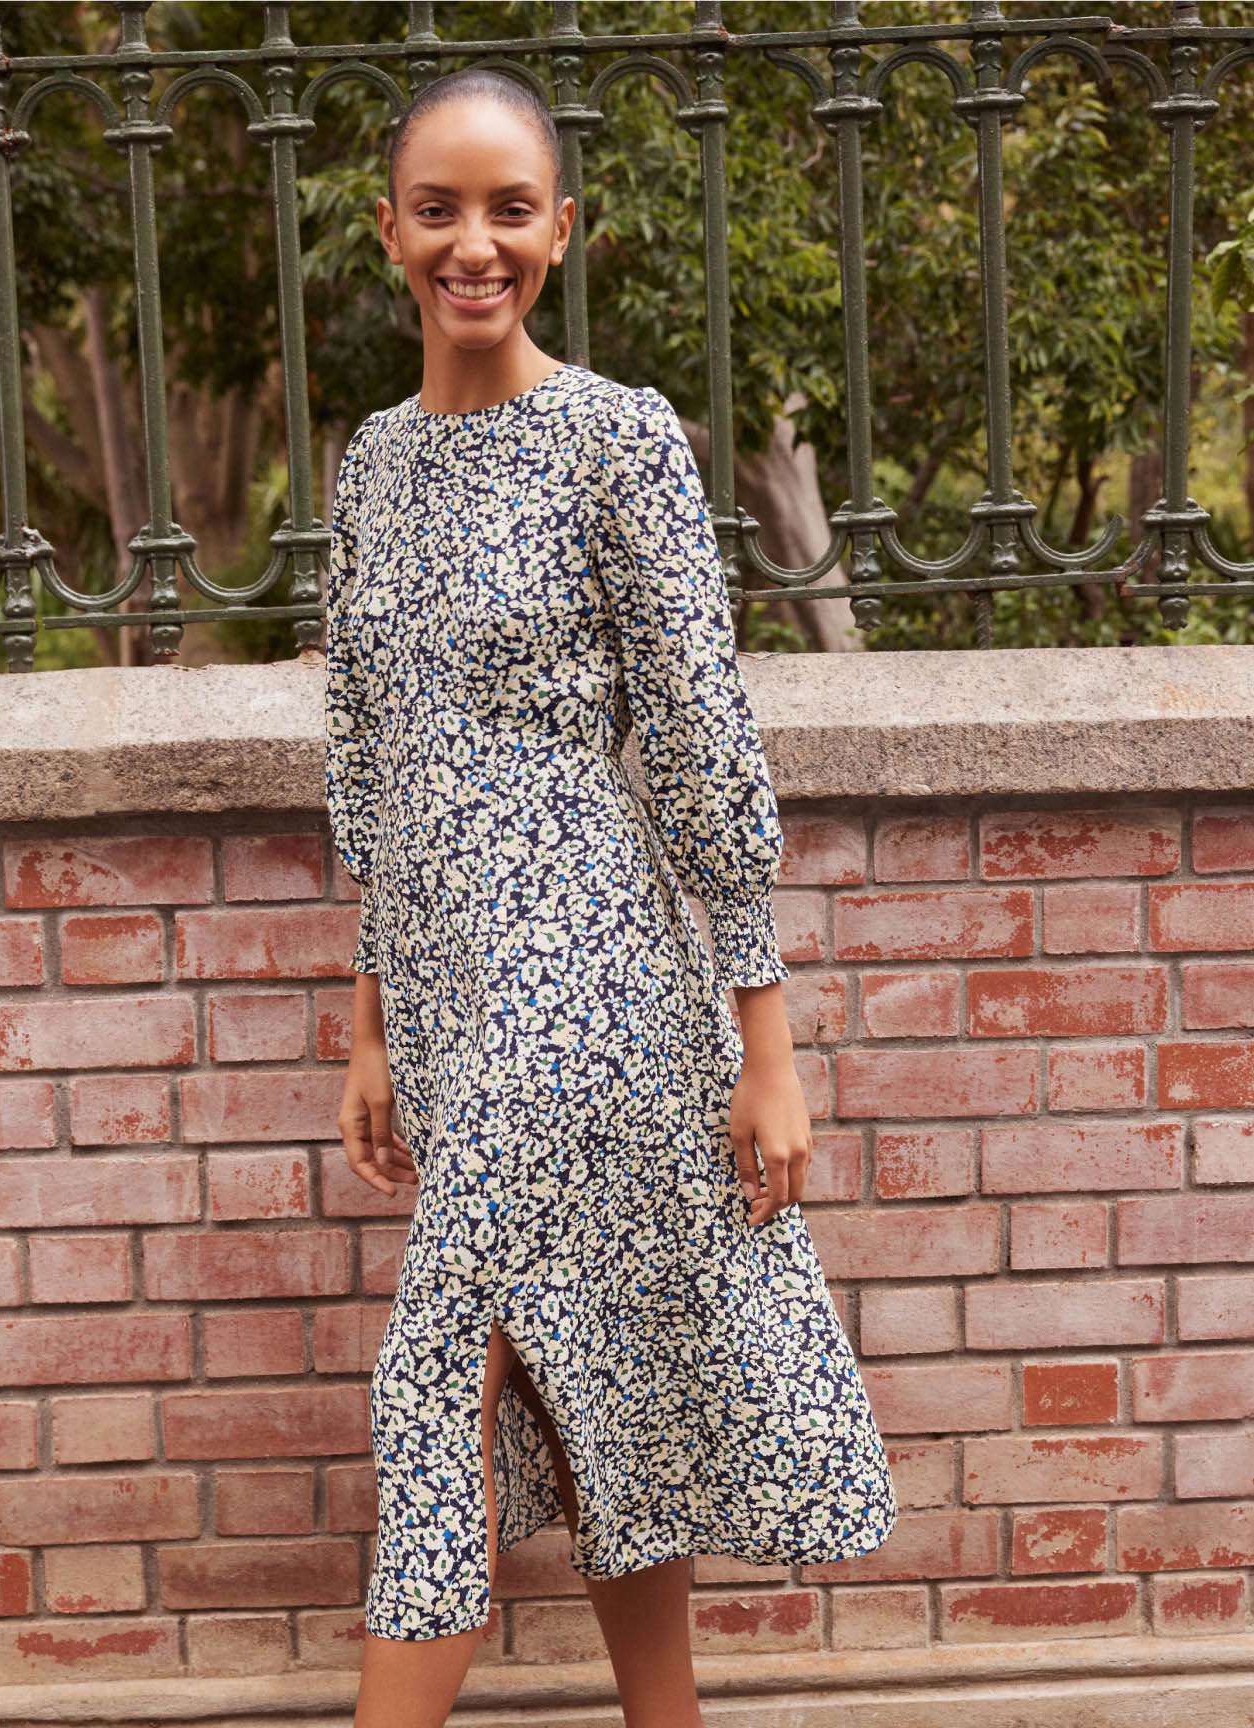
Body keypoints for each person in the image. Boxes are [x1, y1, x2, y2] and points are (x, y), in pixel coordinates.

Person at [323, 67, 898, 1728]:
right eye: (439, 208)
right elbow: (369, 759)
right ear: (390, 234)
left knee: (445, 1377)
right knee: (593, 1397)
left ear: (560, 231)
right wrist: (367, 1027)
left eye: (511, 208)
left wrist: (764, 1043)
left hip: (590, 995)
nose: (474, 243)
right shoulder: (372, 468)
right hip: (444, 1003)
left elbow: (707, 748)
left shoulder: (618, 440)